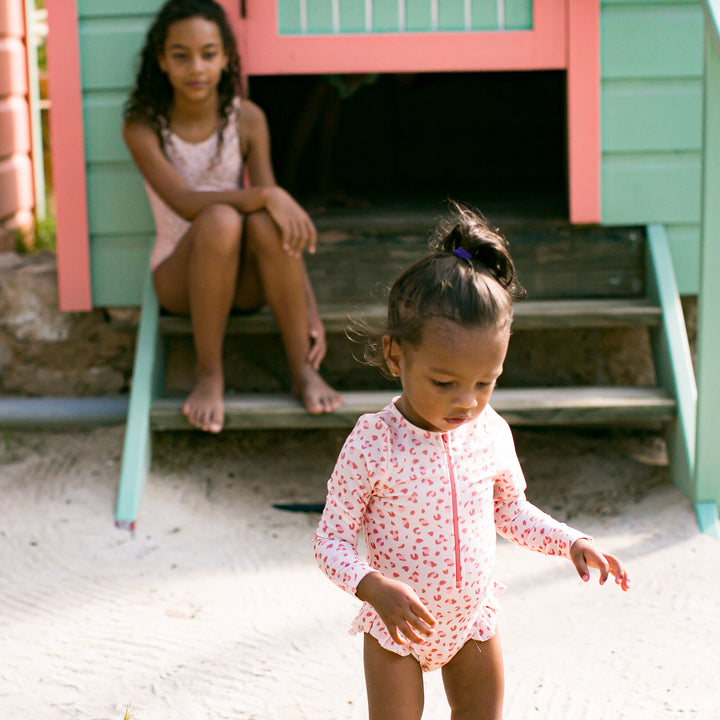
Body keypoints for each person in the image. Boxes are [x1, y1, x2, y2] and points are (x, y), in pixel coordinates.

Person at [313, 204, 630, 720]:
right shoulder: (376, 441)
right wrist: (373, 587)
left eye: (486, 382)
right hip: (398, 626)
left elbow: (512, 511)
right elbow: (330, 540)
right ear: (396, 356)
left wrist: (571, 540)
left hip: (472, 621)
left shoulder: (491, 432)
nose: (467, 401)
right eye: (445, 383)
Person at [123, 0, 343, 433]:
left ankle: (301, 369)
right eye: (180, 56)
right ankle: (209, 374)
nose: (196, 68)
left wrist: (308, 306)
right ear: (162, 62)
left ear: (226, 58)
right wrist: (267, 193)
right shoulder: (143, 126)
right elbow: (186, 203)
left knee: (263, 221)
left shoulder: (248, 119)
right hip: (179, 279)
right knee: (223, 218)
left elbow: (280, 222)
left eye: (208, 53)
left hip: (243, 281)